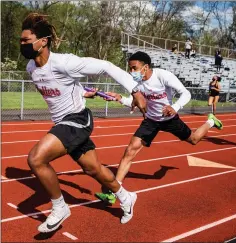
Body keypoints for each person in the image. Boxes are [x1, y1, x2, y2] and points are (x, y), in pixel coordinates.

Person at [19, 13, 145, 233]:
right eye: (21, 40)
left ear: (43, 41)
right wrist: (82, 92)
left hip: (77, 119)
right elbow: (61, 88)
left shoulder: (65, 62)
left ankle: (60, 208)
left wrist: (135, 90)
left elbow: (106, 66)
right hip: (63, 122)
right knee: (93, 168)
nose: (22, 44)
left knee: (36, 159)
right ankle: (127, 198)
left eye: (26, 41)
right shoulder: (31, 67)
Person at [95, 51, 223, 204]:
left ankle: (211, 121)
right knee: (130, 151)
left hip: (169, 119)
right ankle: (114, 192)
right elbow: (137, 102)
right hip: (150, 120)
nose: (131, 72)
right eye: (130, 68)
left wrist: (175, 107)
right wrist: (120, 98)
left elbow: (185, 93)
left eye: (134, 68)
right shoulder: (136, 83)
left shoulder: (163, 76)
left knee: (194, 139)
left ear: (145, 67)